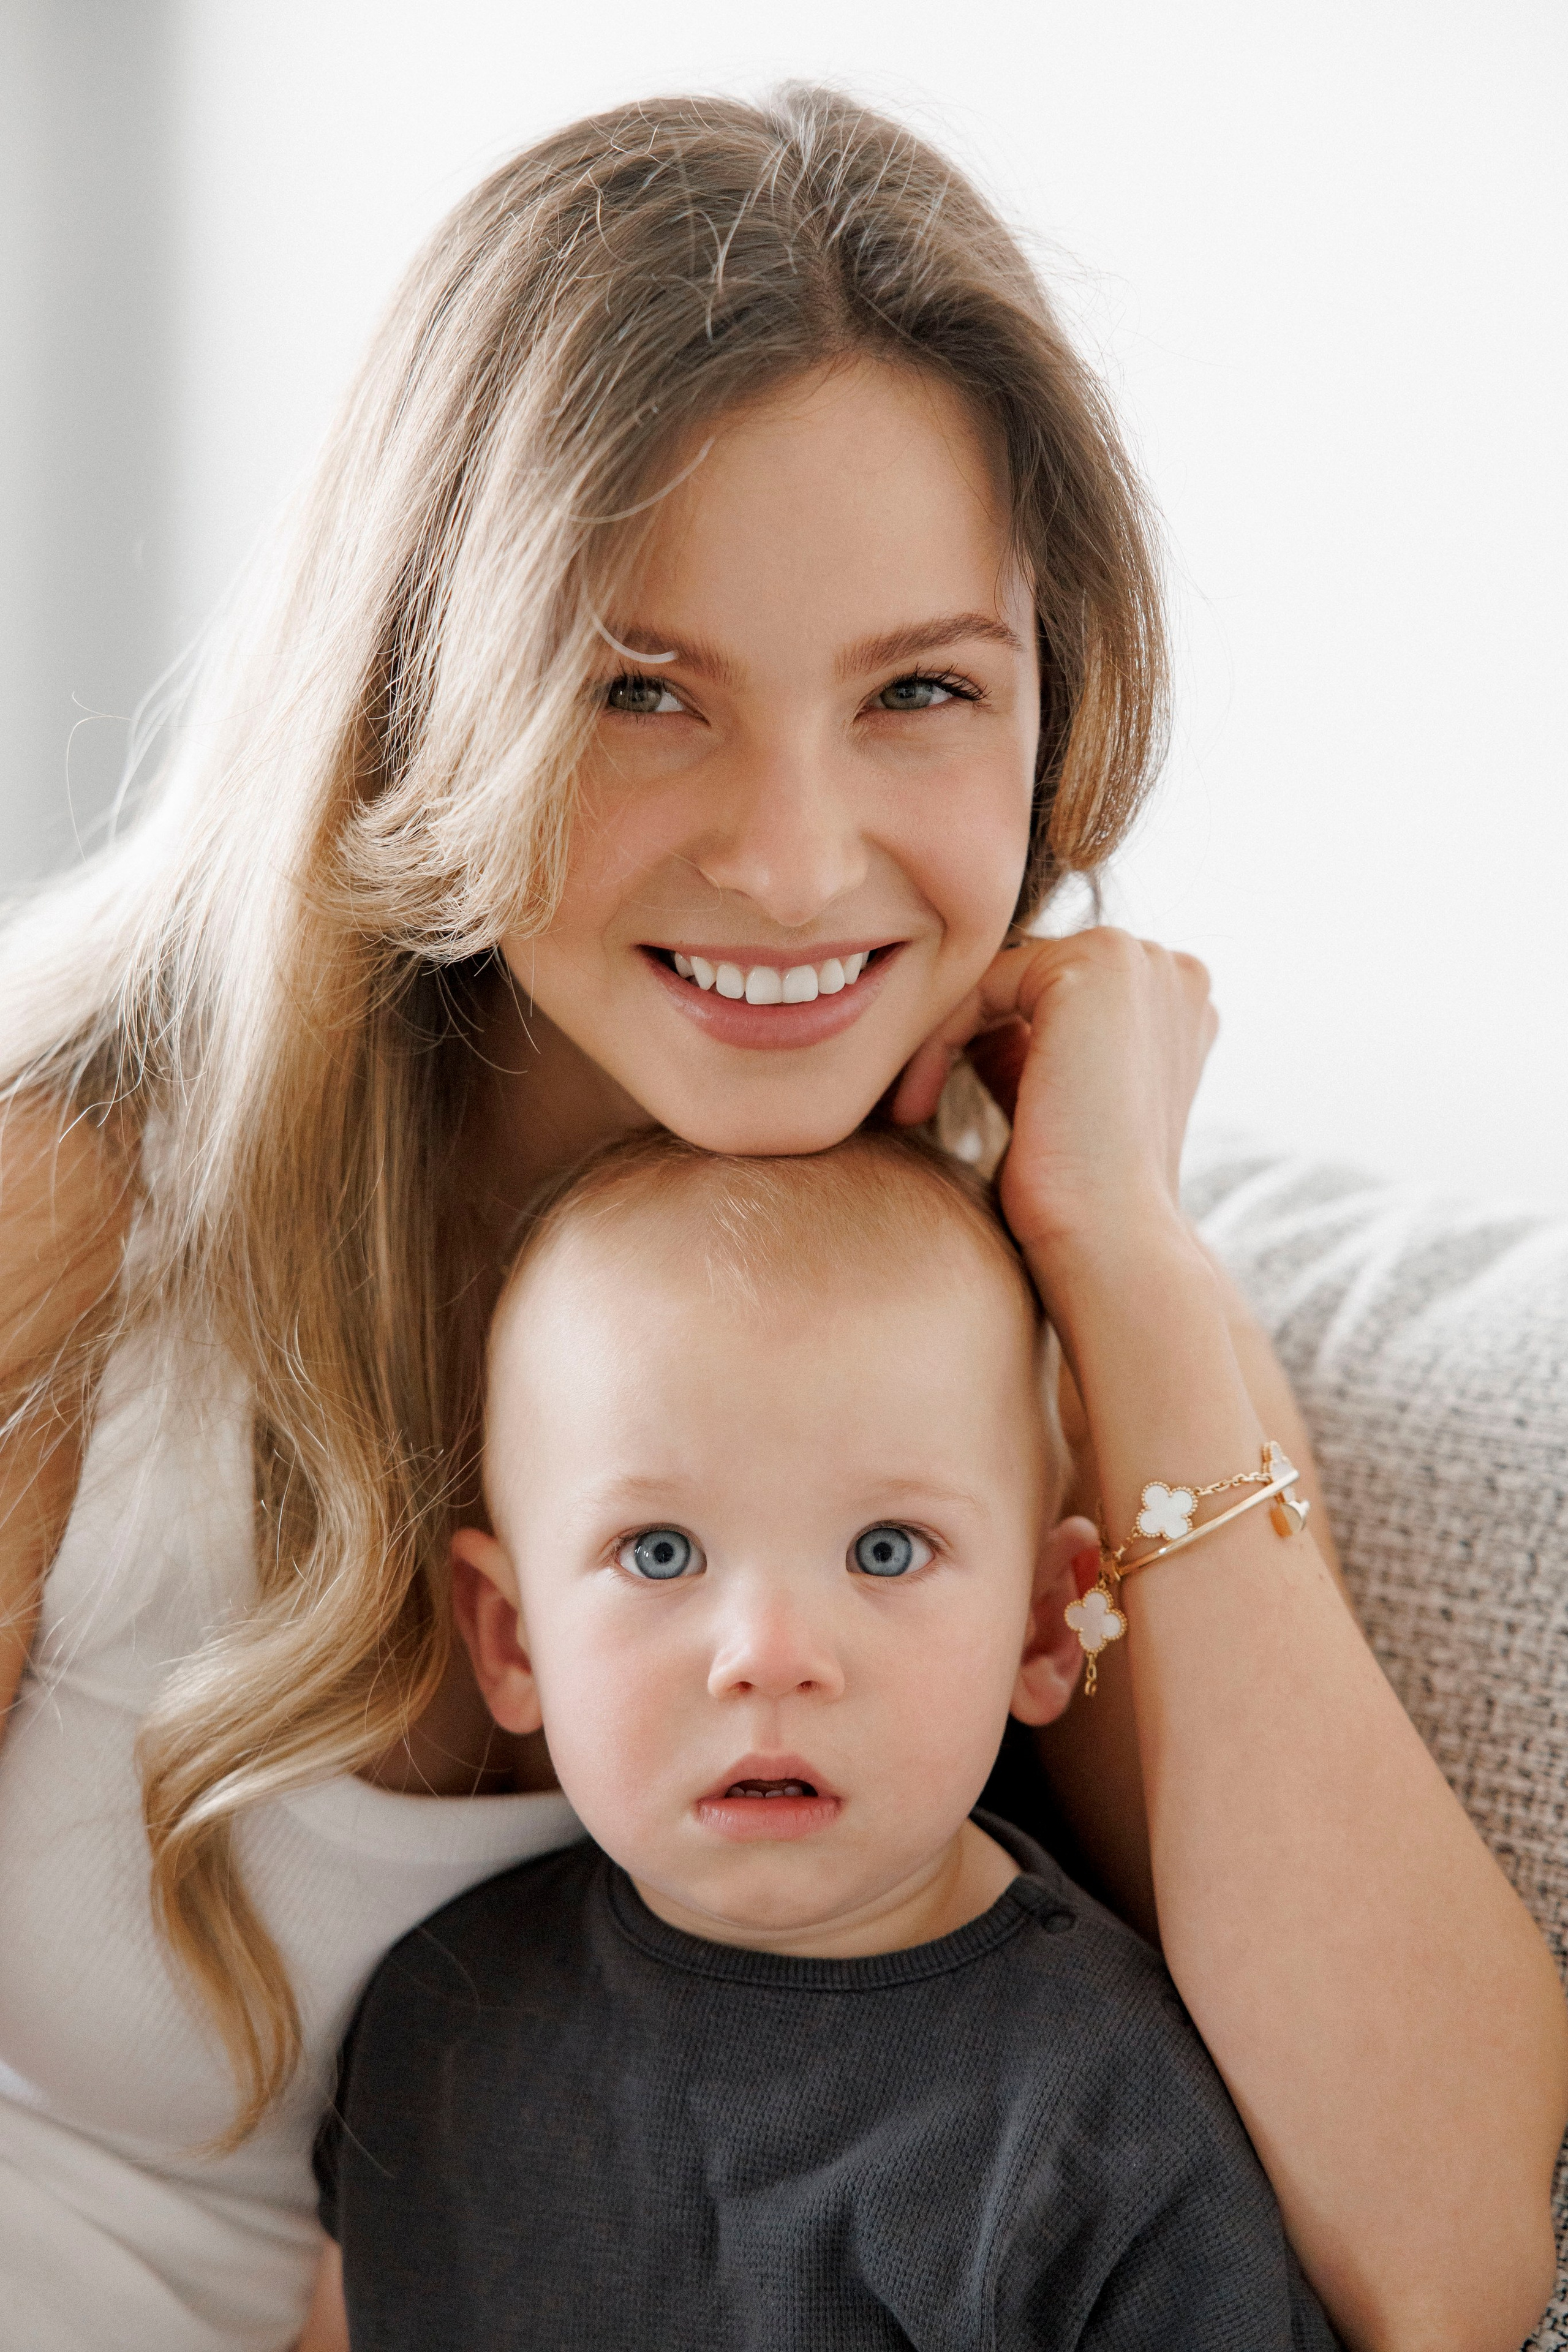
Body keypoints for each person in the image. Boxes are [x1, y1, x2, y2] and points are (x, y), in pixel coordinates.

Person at [0, 85, 1560, 2352]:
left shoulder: (1018, 1315)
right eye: (645, 693)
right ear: (429, 690)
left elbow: (1443, 2263)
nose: (799, 860)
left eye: (922, 690)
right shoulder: (77, 1186)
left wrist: (1125, 1255)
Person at [306, 1125, 1341, 2350]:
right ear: (512, 1641)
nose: (769, 1654)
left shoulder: (1100, 2118)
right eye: (660, 1553)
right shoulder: (435, 2018)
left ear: (1040, 1627)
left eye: (885, 1551)